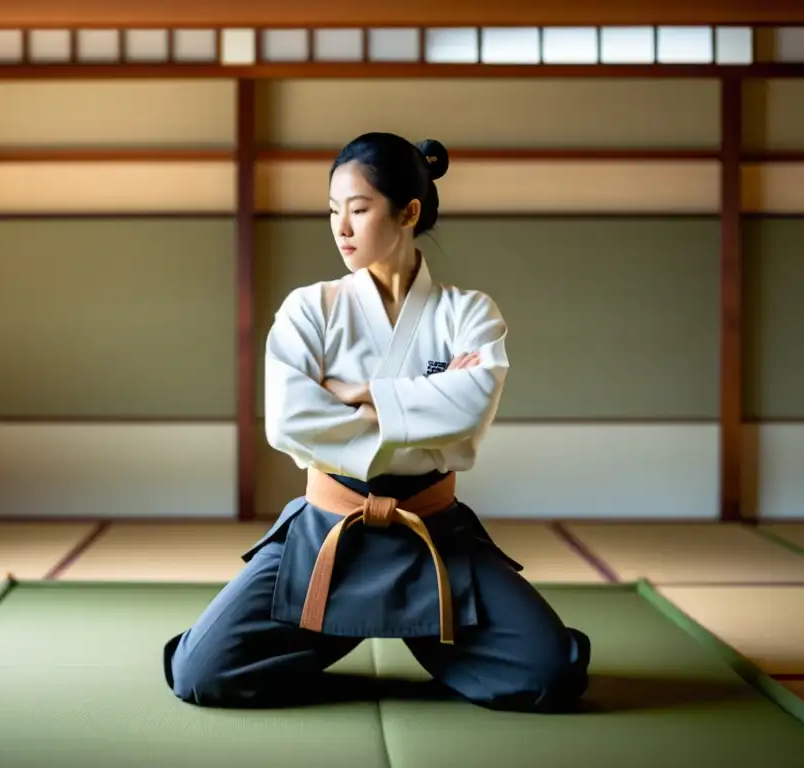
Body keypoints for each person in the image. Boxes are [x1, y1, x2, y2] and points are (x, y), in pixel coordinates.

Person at [163, 132, 591, 713]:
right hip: (328, 532)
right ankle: (342, 625)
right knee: (201, 672)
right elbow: (289, 421)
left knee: (551, 676)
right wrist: (423, 401)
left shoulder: (468, 313)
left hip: (430, 532)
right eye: (333, 211)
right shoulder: (310, 308)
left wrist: (362, 395)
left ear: (408, 211)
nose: (342, 228)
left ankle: (412, 627)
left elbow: (472, 405)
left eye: (358, 210)